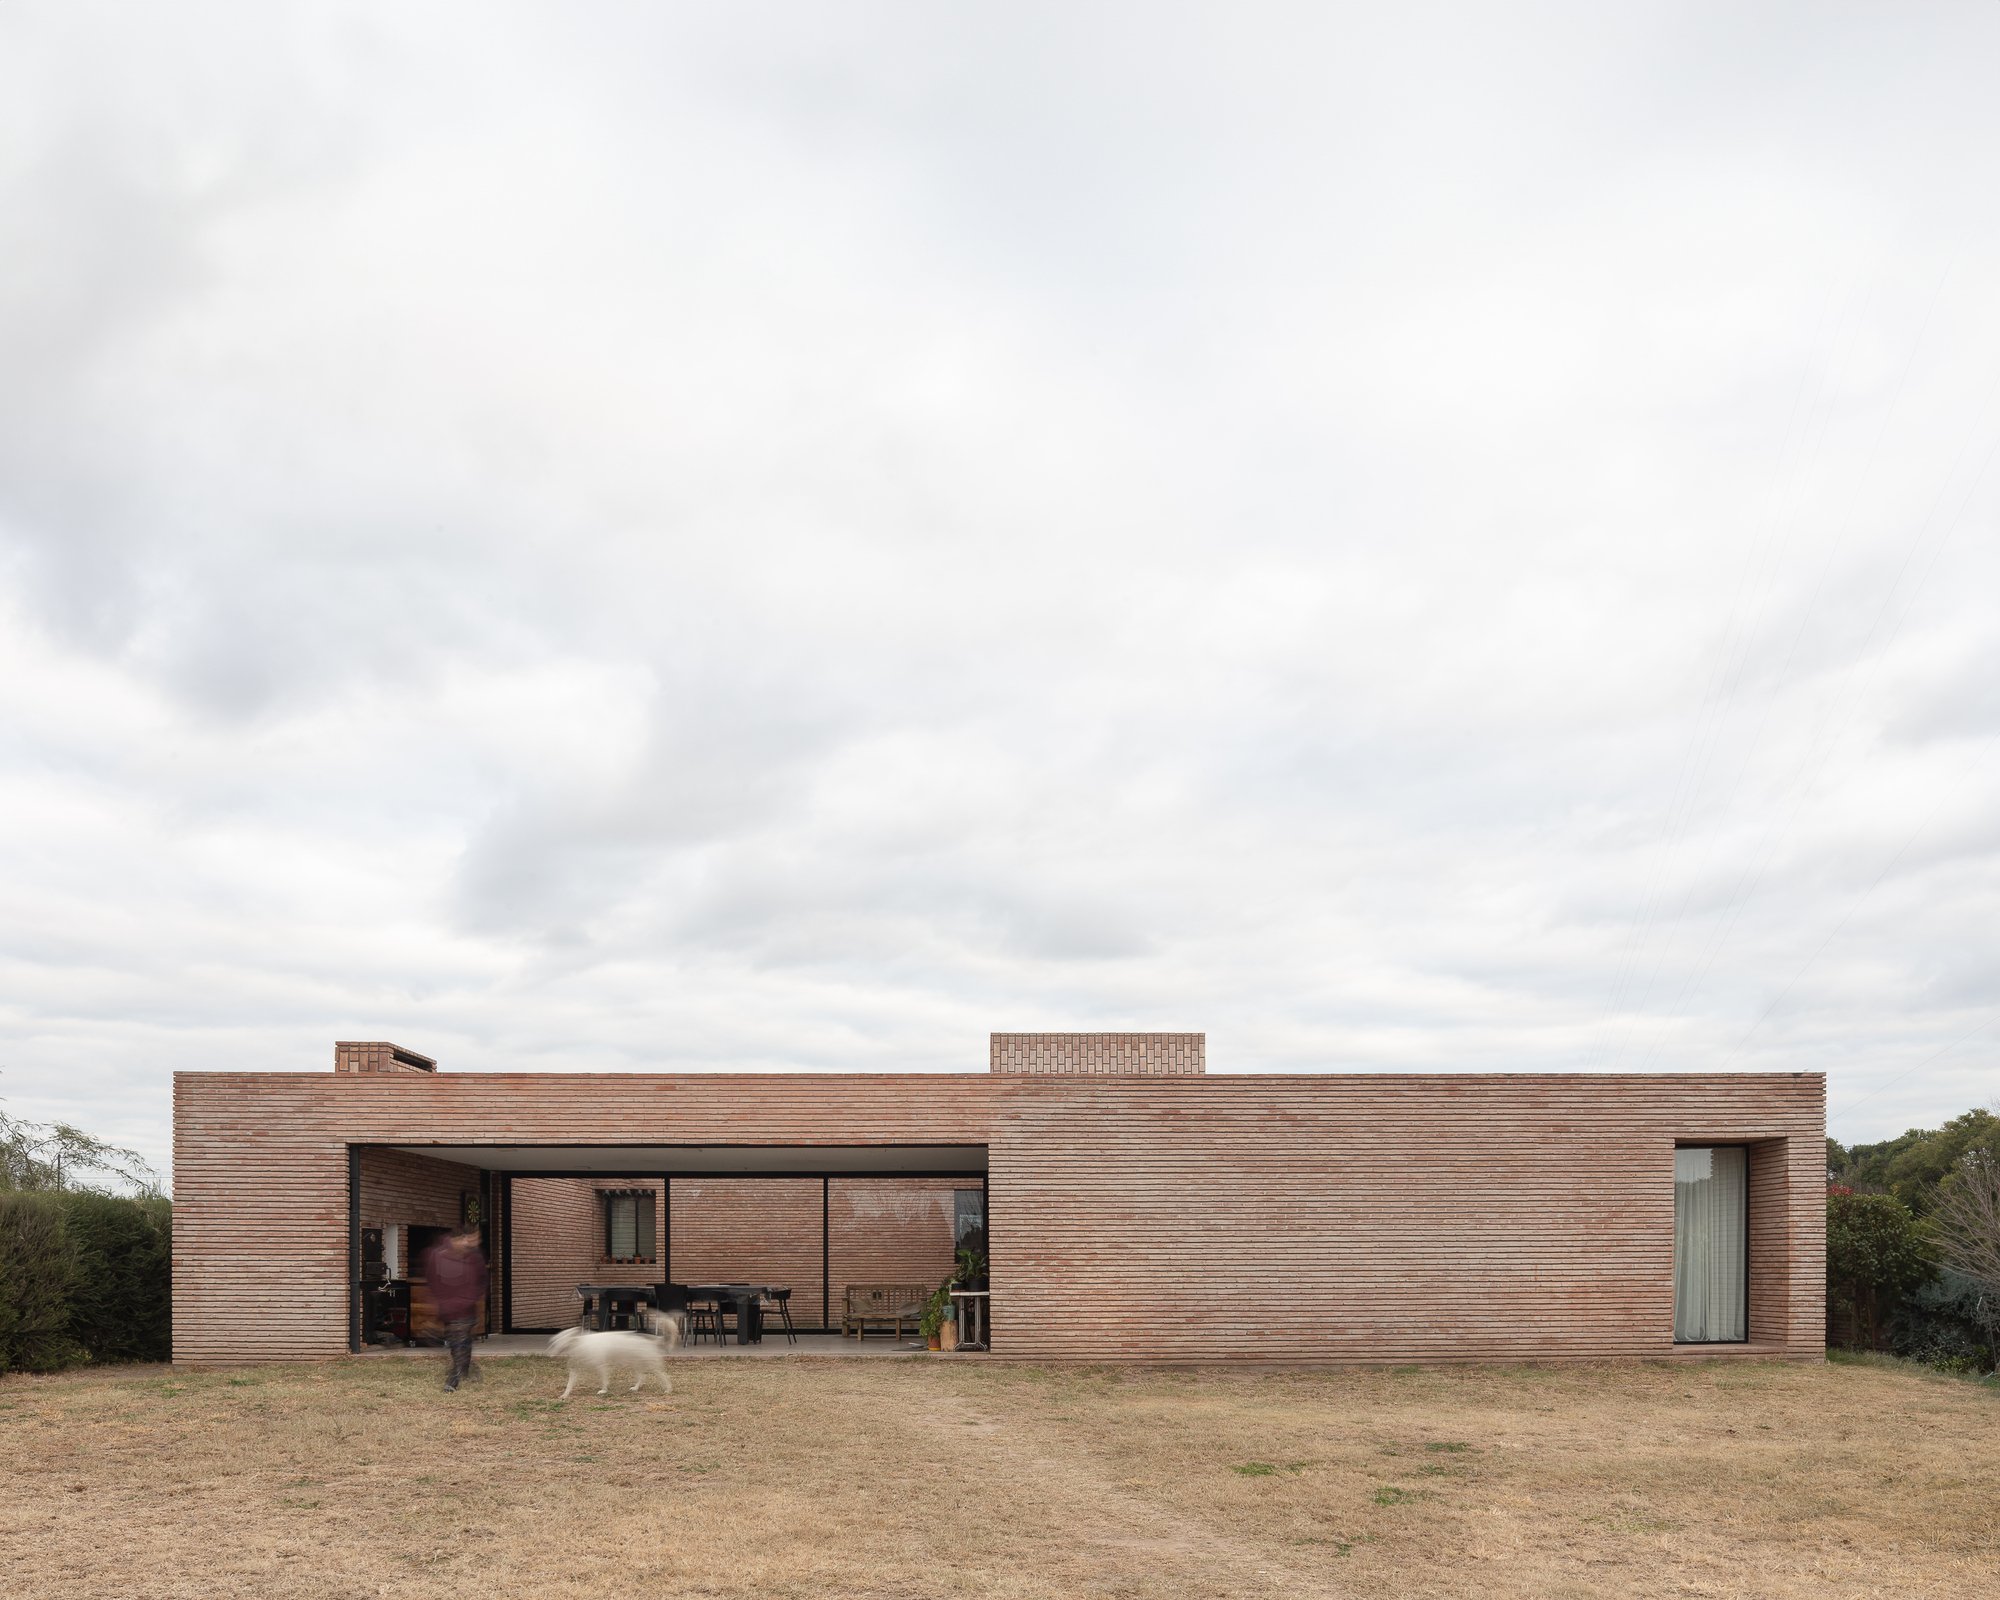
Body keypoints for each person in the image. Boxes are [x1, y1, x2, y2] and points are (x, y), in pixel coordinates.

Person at [423, 1226, 488, 1392]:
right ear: (458, 1239)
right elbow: (433, 1281)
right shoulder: (438, 1255)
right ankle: (466, 1368)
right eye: (471, 1238)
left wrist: (469, 1299)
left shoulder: (474, 1257)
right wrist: (443, 1302)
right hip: (448, 1309)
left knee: (459, 1342)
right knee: (458, 1344)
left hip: (466, 1310)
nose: (473, 1242)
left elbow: (482, 1281)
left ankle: (453, 1381)